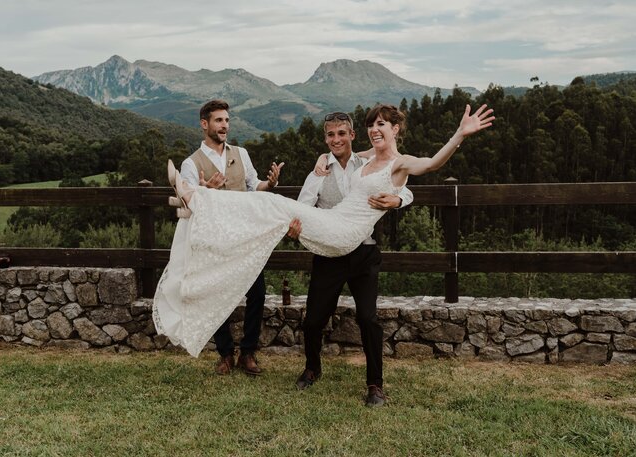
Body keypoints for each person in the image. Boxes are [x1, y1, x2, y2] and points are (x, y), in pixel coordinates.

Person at [153, 103, 494, 362]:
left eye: (380, 125)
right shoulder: (363, 160)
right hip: (330, 233)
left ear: (394, 129)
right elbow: (345, 160)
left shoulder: (396, 162)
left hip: (349, 236)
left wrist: (459, 136)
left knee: (274, 205)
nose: (374, 130)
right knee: (273, 210)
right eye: (372, 125)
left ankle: (195, 198)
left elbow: (430, 165)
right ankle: (195, 200)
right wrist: (321, 159)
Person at [286, 111, 413, 407]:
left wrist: (398, 200)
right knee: (314, 318)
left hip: (364, 253)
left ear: (352, 136)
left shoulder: (369, 163)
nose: (336, 140)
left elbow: (404, 189)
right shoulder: (317, 173)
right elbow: (302, 210)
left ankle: (375, 385)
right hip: (329, 255)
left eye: (342, 134)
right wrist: (294, 229)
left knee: (368, 317)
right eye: (330, 135)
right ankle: (312, 368)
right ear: (325, 139)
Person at [176, 99, 284, 376]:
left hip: (244, 237)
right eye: (218, 120)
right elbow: (187, 204)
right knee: (214, 294)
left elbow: (253, 187)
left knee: (256, 293)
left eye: (226, 120)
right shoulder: (190, 163)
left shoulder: (241, 153)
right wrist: (204, 190)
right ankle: (225, 353)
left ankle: (248, 353)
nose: (224, 125)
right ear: (204, 124)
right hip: (214, 241)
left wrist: (269, 184)